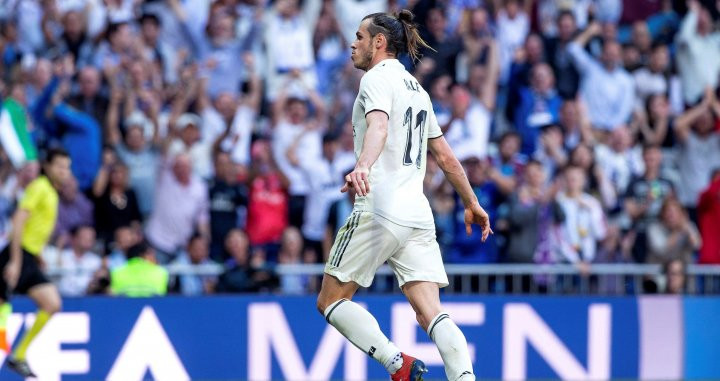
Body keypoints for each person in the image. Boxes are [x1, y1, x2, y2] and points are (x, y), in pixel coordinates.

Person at [316, 11, 492, 381]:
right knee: (432, 313)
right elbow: (444, 156)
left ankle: (398, 365)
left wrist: (363, 164)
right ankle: (465, 378)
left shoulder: (377, 80)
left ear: (379, 43)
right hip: (417, 214)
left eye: (360, 37)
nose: (354, 43)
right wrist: (472, 202)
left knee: (331, 300)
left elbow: (378, 125)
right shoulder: (417, 89)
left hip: (380, 207)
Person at [0, 148, 71, 377]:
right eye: (60, 166)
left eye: (67, 167)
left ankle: (19, 355)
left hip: (29, 256)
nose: (64, 172)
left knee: (52, 304)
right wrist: (16, 261)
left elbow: (35, 227)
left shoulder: (51, 191)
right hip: (17, 254)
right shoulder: (39, 187)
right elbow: (19, 220)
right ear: (47, 166)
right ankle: (8, 352)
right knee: (2, 308)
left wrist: (38, 253)